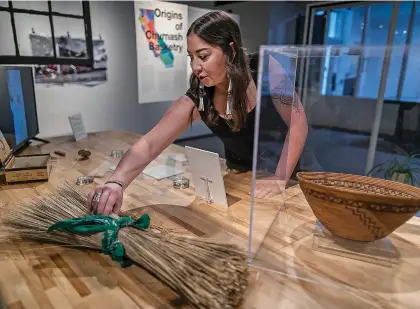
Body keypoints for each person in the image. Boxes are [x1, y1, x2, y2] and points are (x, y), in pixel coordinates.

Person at [87, 10, 308, 216]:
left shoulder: (267, 69)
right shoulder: (199, 97)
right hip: (240, 179)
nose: (195, 66)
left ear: (230, 50)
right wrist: (115, 182)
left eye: (203, 56)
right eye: (191, 57)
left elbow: (298, 123)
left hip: (285, 176)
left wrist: (279, 178)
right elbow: (149, 144)